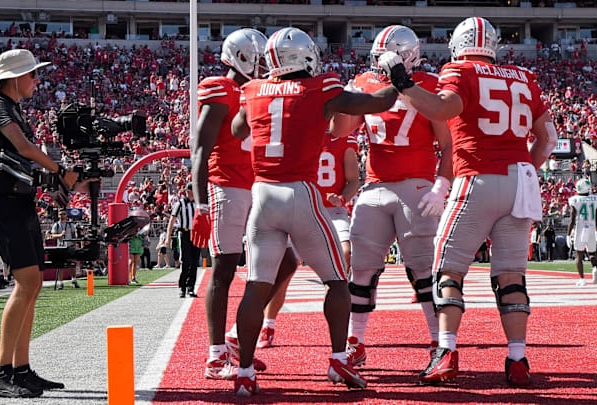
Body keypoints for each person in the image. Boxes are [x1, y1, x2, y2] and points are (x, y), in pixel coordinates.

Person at [379, 17, 557, 386]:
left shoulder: (460, 69)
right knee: (511, 275)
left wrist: (402, 80)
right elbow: (548, 139)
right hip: (519, 181)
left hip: (477, 176)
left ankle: (446, 352)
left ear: (457, 45)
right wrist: (526, 169)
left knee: (448, 270)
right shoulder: (524, 77)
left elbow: (442, 108)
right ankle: (518, 358)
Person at [230, 27, 400, 396]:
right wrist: (399, 79)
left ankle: (244, 371)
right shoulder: (320, 88)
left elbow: (236, 128)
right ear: (306, 56)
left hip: (262, 196)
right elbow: (378, 103)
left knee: (256, 288)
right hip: (301, 193)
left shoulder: (253, 90)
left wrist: (266, 92)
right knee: (337, 281)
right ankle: (339, 359)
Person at [330, 25, 453, 368]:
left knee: (422, 270)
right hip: (375, 184)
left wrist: (441, 185)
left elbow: (447, 144)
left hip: (416, 185)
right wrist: (345, 99)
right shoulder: (366, 82)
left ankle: (437, 343)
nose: (380, 64)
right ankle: (356, 342)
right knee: (361, 270)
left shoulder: (429, 84)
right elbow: (339, 131)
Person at [0, 49, 86, 398]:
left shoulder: (11, 108)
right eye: (33, 75)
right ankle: (2, 372)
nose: (37, 80)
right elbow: (22, 147)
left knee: (34, 282)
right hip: (0, 202)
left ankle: (20, 370)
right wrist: (59, 172)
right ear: (14, 78)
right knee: (25, 282)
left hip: (16, 200)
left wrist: (50, 184)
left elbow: (18, 157)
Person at [190, 28, 296, 379]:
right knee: (223, 270)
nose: (267, 65)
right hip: (226, 188)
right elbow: (201, 149)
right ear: (243, 56)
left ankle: (236, 337)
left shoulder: (258, 89)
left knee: (286, 261)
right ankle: (215, 354)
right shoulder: (219, 87)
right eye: (261, 58)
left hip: (256, 188)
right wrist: (201, 204)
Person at [257, 133, 361, 350]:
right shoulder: (300, 134)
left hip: (333, 211)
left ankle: (337, 322)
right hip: (301, 208)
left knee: (345, 254)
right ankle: (268, 325)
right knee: (283, 269)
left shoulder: (345, 140)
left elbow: (353, 181)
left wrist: (342, 198)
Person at [166, 185, 200, 298]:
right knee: (186, 261)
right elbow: (172, 219)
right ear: (189, 192)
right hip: (184, 233)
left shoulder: (198, 203)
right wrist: (168, 237)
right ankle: (183, 287)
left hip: (196, 234)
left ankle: (191, 287)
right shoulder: (180, 203)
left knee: (194, 262)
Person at [567, 178, 597, 285]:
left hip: (580, 229)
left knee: (579, 255)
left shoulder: (574, 199)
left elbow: (572, 219)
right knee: (592, 252)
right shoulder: (595, 199)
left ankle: (582, 279)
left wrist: (568, 234)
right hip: (591, 228)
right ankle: (595, 268)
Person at [49, 209, 80, 289]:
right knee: (60, 265)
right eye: (60, 214)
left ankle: (74, 280)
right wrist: (60, 235)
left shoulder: (70, 225)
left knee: (72, 263)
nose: (62, 216)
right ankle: (61, 283)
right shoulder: (56, 225)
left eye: (63, 214)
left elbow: (74, 235)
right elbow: (53, 236)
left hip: (70, 246)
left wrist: (74, 244)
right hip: (60, 246)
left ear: (66, 215)